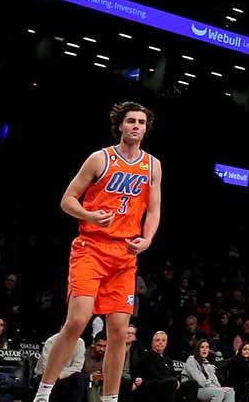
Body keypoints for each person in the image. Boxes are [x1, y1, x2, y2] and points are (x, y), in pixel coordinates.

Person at [37, 102, 163, 402]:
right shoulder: (99, 159)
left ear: (146, 128)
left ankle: (110, 399)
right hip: (91, 248)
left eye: (141, 122)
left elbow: (154, 210)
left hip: (125, 255)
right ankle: (43, 392)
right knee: (78, 320)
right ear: (120, 125)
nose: (136, 126)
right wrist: (91, 216)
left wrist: (147, 240)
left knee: (119, 331)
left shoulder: (153, 165)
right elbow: (67, 200)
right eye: (131, 121)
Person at [36, 331, 86, 402]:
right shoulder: (51, 341)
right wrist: (56, 375)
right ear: (62, 327)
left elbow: (78, 366)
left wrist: (62, 374)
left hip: (67, 376)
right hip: (46, 375)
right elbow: (46, 366)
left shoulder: (80, 342)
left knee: (78, 378)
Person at [133, 332, 178, 402]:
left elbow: (173, 374)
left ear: (166, 343)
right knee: (171, 382)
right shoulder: (147, 356)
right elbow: (153, 374)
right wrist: (173, 381)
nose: (160, 342)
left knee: (192, 384)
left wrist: (177, 381)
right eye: (157, 340)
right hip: (152, 385)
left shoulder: (168, 359)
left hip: (168, 383)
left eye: (163, 340)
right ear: (152, 342)